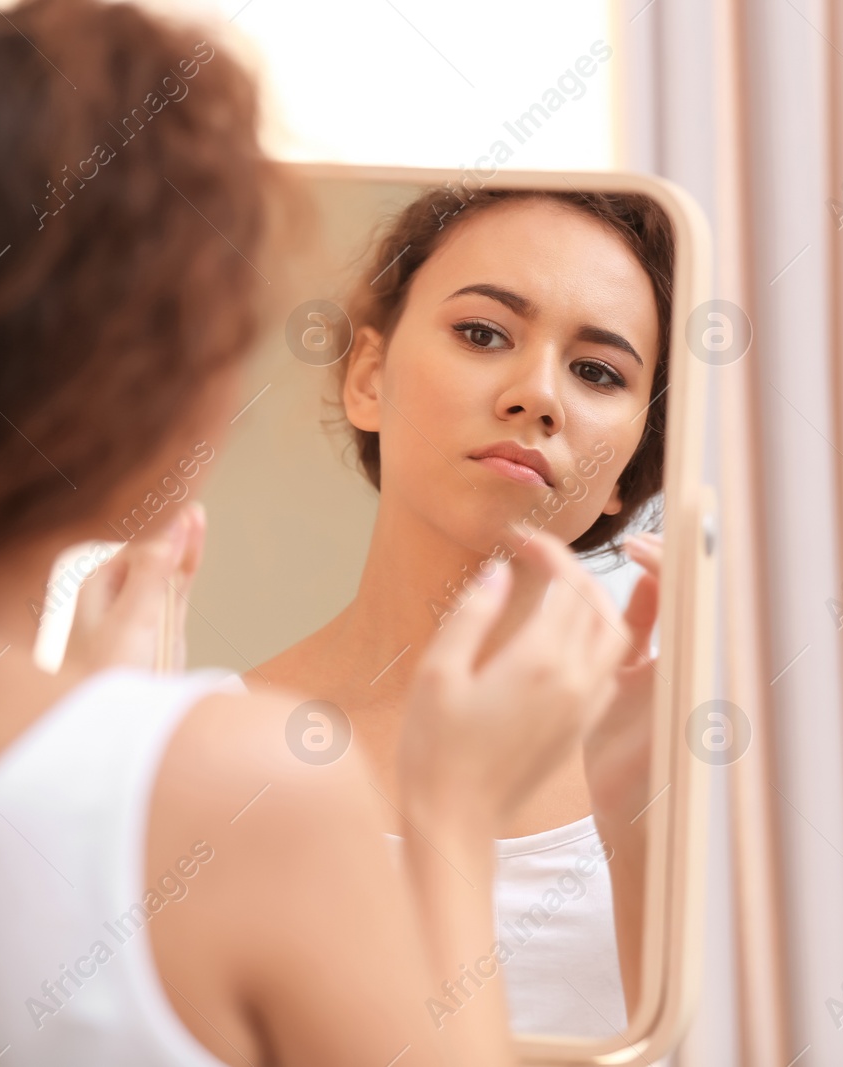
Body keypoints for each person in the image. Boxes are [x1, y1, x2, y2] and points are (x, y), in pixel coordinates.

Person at [0, 2, 628, 1064]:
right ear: (138, 391)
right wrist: (452, 814)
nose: (535, 395)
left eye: (601, 368)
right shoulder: (249, 792)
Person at [250, 186, 673, 1035]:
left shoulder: (684, 763)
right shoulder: (221, 742)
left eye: (597, 371)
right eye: (483, 333)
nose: (537, 394)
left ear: (629, 472)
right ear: (369, 377)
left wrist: (642, 835)